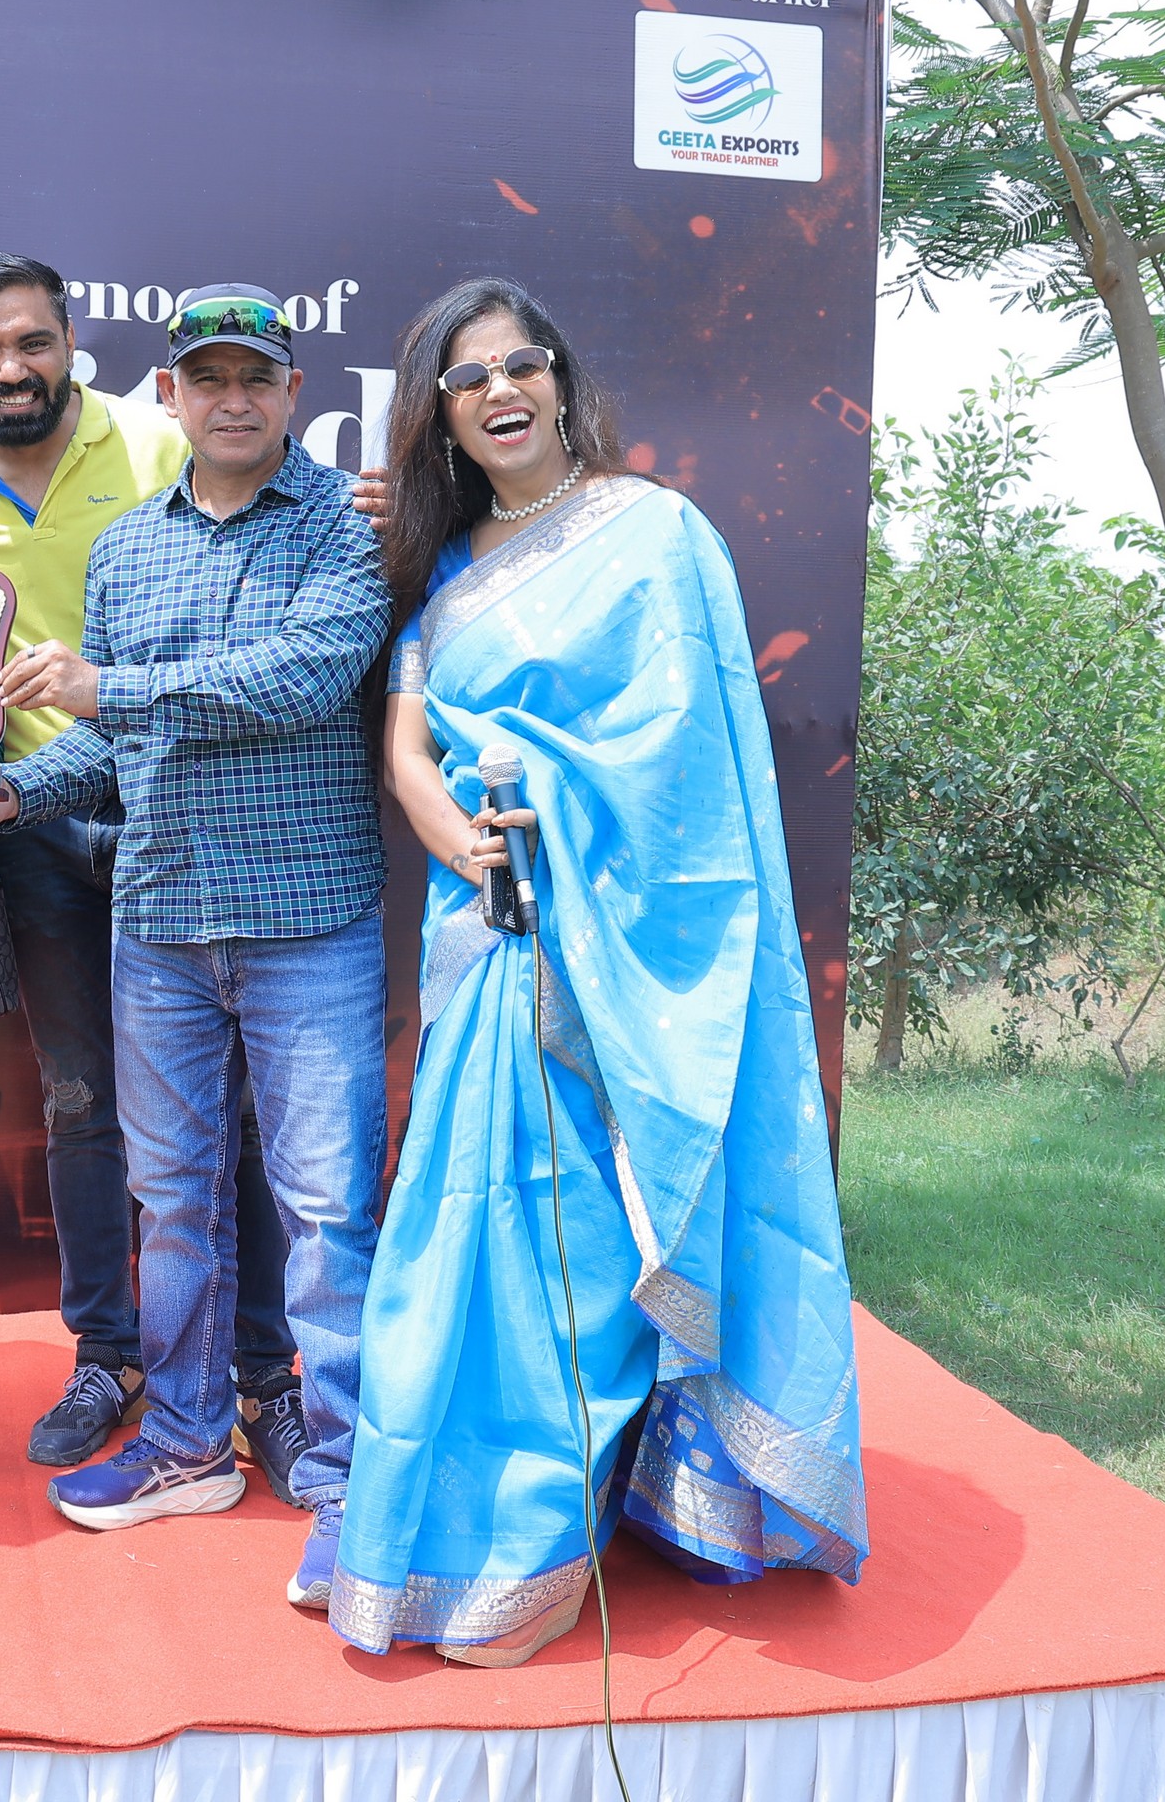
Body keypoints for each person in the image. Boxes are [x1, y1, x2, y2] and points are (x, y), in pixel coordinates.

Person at [331, 277, 868, 1668]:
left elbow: (689, 762)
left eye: (522, 364)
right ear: (441, 417)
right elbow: (406, 744)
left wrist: (556, 825)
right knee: (464, 1243)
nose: (500, 391)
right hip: (487, 940)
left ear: (563, 381)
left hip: (615, 947)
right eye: (467, 379)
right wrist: (459, 838)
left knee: (577, 1250)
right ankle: (427, 1530)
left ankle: (536, 1550)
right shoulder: (443, 569)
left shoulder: (654, 533)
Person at [0, 286, 389, 1608]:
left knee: (326, 1213)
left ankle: (349, 1483)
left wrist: (109, 689)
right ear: (170, 395)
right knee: (174, 1200)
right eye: (209, 377)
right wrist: (10, 794)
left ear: (295, 392)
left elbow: (302, 680)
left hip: (309, 923)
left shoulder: (348, 529)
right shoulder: (129, 548)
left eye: (257, 376)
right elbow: (116, 745)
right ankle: (190, 1440)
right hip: (160, 925)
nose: (233, 398)